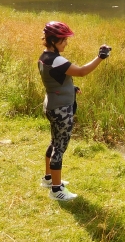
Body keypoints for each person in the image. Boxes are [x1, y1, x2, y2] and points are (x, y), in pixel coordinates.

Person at [38, 21, 111, 201]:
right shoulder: (58, 60)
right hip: (61, 109)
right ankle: (57, 190)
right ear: (54, 40)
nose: (66, 43)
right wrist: (100, 57)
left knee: (54, 142)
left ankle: (48, 178)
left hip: (51, 105)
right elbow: (82, 71)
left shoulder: (44, 57)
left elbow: (54, 79)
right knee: (59, 148)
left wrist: (70, 88)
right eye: (63, 40)